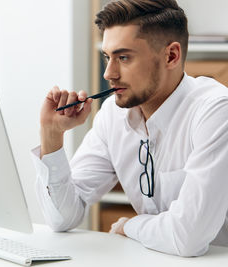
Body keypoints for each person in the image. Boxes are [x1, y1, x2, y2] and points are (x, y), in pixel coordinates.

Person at [31, 0, 228, 257]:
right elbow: (62, 218)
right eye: (107, 57)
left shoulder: (216, 111)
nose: (108, 73)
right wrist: (52, 135)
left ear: (171, 56)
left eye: (123, 57)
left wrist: (130, 225)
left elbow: (188, 237)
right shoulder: (113, 115)